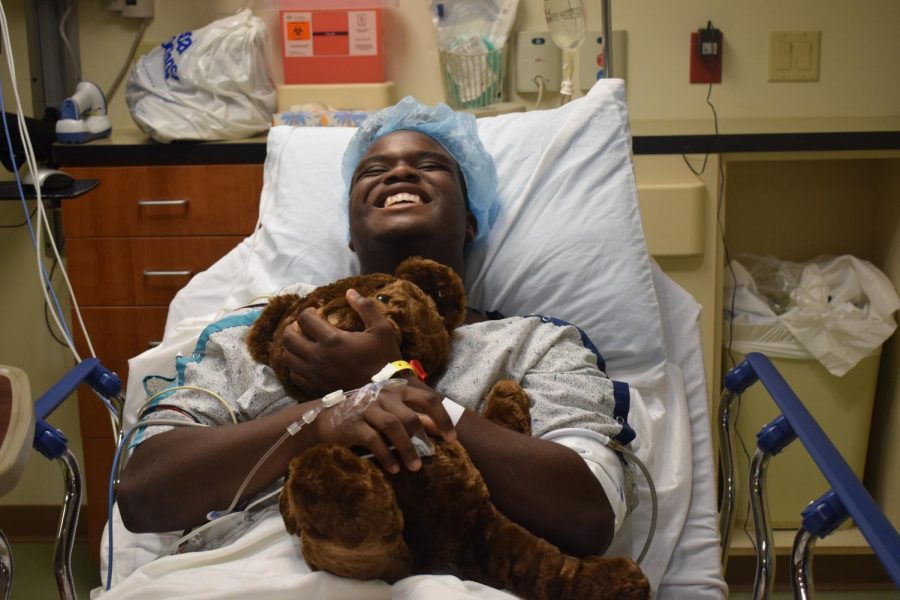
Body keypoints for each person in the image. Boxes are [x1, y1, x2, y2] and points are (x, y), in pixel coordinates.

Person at [117, 97, 635, 560]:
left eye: (431, 165)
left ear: (471, 220)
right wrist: (319, 419)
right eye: (374, 169)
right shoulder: (262, 337)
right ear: (348, 230)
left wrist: (392, 380)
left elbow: (590, 516)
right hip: (257, 569)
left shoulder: (535, 344)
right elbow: (143, 494)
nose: (400, 172)